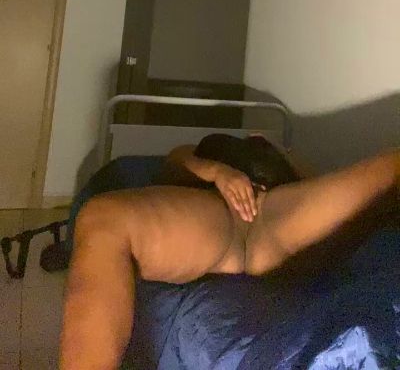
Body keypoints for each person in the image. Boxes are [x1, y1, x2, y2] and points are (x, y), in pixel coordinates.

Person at [60, 134, 400, 370]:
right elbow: (176, 161)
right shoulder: (210, 148)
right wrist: (219, 173)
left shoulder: (284, 150)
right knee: (102, 217)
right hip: (218, 215)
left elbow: (313, 184)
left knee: (387, 171)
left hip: (273, 212)